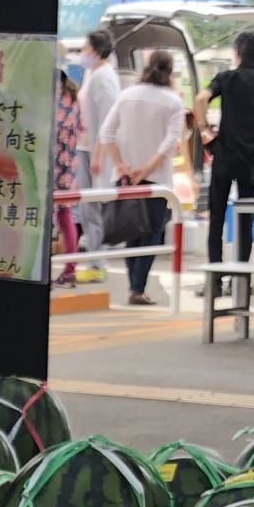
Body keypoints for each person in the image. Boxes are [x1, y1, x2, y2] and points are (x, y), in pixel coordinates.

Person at [194, 28, 254, 280]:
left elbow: (201, 98)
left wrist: (204, 126)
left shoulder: (226, 78)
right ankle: (240, 277)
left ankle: (215, 277)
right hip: (250, 160)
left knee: (217, 218)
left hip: (224, 157)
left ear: (237, 52)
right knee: (245, 219)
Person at [98, 50, 185, 307]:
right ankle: (137, 288)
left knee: (131, 231)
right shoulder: (173, 102)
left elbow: (106, 133)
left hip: (126, 177)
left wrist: (121, 165)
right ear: (170, 71)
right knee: (151, 233)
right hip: (157, 179)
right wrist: (146, 170)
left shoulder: (127, 95)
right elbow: (169, 143)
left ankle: (134, 286)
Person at [76, 27, 121, 256]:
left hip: (94, 150)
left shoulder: (104, 78)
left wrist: (97, 155)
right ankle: (95, 255)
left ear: (95, 51)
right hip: (85, 146)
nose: (82, 53)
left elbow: (108, 121)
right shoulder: (92, 73)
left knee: (93, 204)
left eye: (85, 48)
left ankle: (97, 258)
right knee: (87, 205)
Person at [53, 69, 83, 289]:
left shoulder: (54, 103)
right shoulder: (73, 99)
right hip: (69, 166)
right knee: (66, 217)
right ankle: (70, 270)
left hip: (53, 168)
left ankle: (45, 272)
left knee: (49, 220)